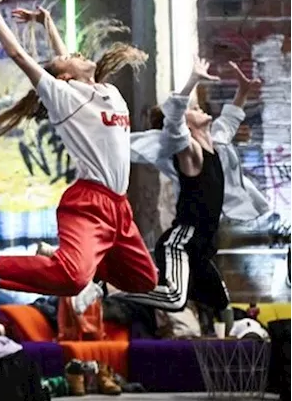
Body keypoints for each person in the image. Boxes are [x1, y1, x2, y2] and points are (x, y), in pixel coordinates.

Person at [0, 0, 158, 297]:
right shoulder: (65, 99)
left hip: (119, 204)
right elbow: (17, 54)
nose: (77, 54)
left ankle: (63, 256)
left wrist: (47, 24)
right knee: (72, 281)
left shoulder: (107, 91)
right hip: (89, 202)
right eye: (71, 58)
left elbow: (63, 56)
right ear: (65, 77)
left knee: (144, 280)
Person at [109, 59, 262, 313]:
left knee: (222, 305)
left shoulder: (215, 144)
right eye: (194, 108)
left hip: (203, 246)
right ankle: (110, 288)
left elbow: (230, 121)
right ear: (187, 125)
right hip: (182, 241)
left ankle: (226, 347)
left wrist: (242, 92)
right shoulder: (189, 152)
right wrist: (192, 80)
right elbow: (174, 123)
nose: (200, 108)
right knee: (174, 298)